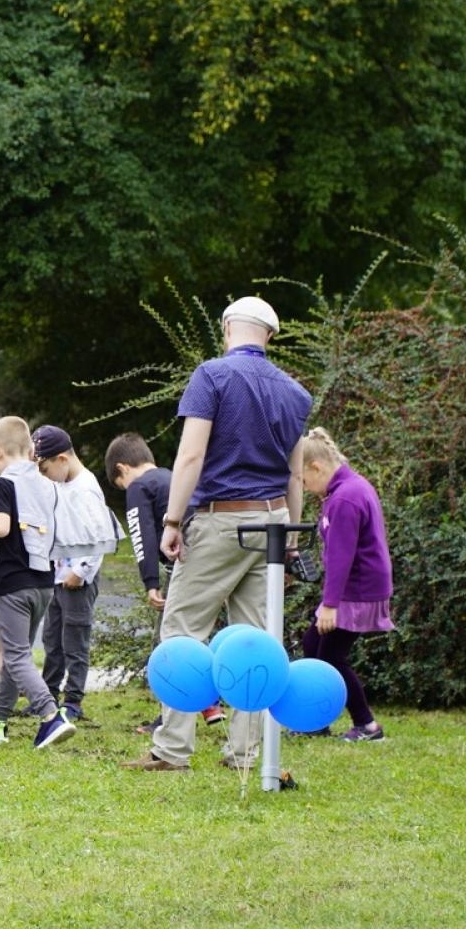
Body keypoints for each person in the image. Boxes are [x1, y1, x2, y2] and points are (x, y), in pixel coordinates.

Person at [124, 295, 312, 774]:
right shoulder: (296, 393)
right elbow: (294, 476)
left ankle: (172, 750)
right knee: (255, 642)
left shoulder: (211, 375)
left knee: (182, 631)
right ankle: (245, 754)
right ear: (270, 336)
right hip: (273, 521)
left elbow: (190, 457)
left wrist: (171, 521)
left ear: (227, 328)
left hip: (221, 519)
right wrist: (290, 541)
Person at [103, 431, 225, 734]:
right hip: (210, 558)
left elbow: (142, 536)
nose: (125, 489)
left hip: (182, 566)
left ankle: (172, 718)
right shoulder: (171, 477)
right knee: (194, 633)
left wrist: (150, 582)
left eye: (120, 484)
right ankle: (210, 703)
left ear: (122, 468)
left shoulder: (139, 486)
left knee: (168, 641)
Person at [0, 416, 76, 750]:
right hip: (43, 581)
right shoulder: (47, 485)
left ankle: (51, 715)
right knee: (19, 654)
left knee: (14, 656)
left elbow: (1, 527)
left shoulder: (1, 484)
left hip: (13, 582)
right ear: (31, 450)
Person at [300, 428, 394, 742]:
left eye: (304, 480)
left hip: (357, 592)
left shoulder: (345, 498)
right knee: (312, 645)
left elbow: (342, 558)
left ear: (316, 467)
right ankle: (316, 722)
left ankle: (367, 726)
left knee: (331, 658)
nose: (305, 488)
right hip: (352, 589)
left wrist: (330, 606)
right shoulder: (346, 490)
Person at [32, 425, 121, 722]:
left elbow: (99, 535)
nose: (44, 476)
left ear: (62, 459)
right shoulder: (60, 484)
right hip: (57, 575)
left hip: (77, 580)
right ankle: (48, 695)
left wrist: (81, 571)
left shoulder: (86, 488)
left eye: (45, 469)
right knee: (52, 639)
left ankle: (73, 700)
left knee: (75, 640)